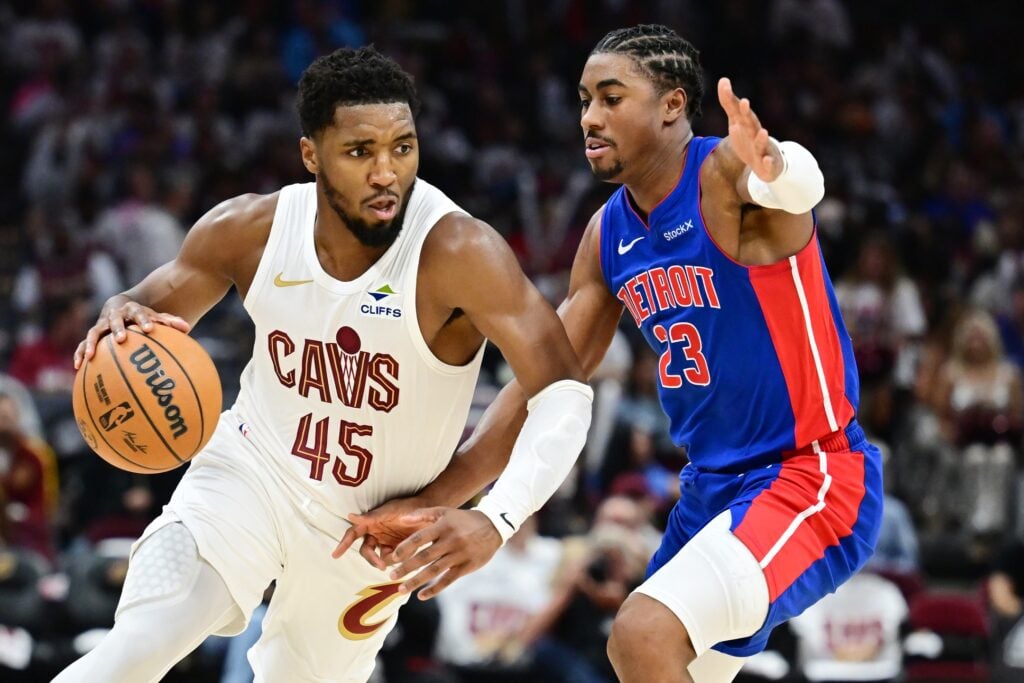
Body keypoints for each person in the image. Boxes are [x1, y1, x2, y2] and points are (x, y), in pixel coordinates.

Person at [343, 24, 883, 683]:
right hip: (712, 491)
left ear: (672, 106)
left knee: (642, 631)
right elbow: (542, 385)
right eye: (583, 100)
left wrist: (780, 164)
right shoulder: (609, 235)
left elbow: (797, 187)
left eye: (610, 97)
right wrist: (437, 500)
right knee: (642, 653)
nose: (589, 118)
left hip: (812, 475)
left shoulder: (726, 175)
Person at [54, 46, 592, 683]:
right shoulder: (250, 229)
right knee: (136, 650)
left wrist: (491, 515)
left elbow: (562, 394)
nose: (387, 172)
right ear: (312, 155)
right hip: (250, 477)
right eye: (360, 151)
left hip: (369, 535)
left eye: (403, 147)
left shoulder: (458, 250)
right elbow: (144, 305)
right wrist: (119, 311)